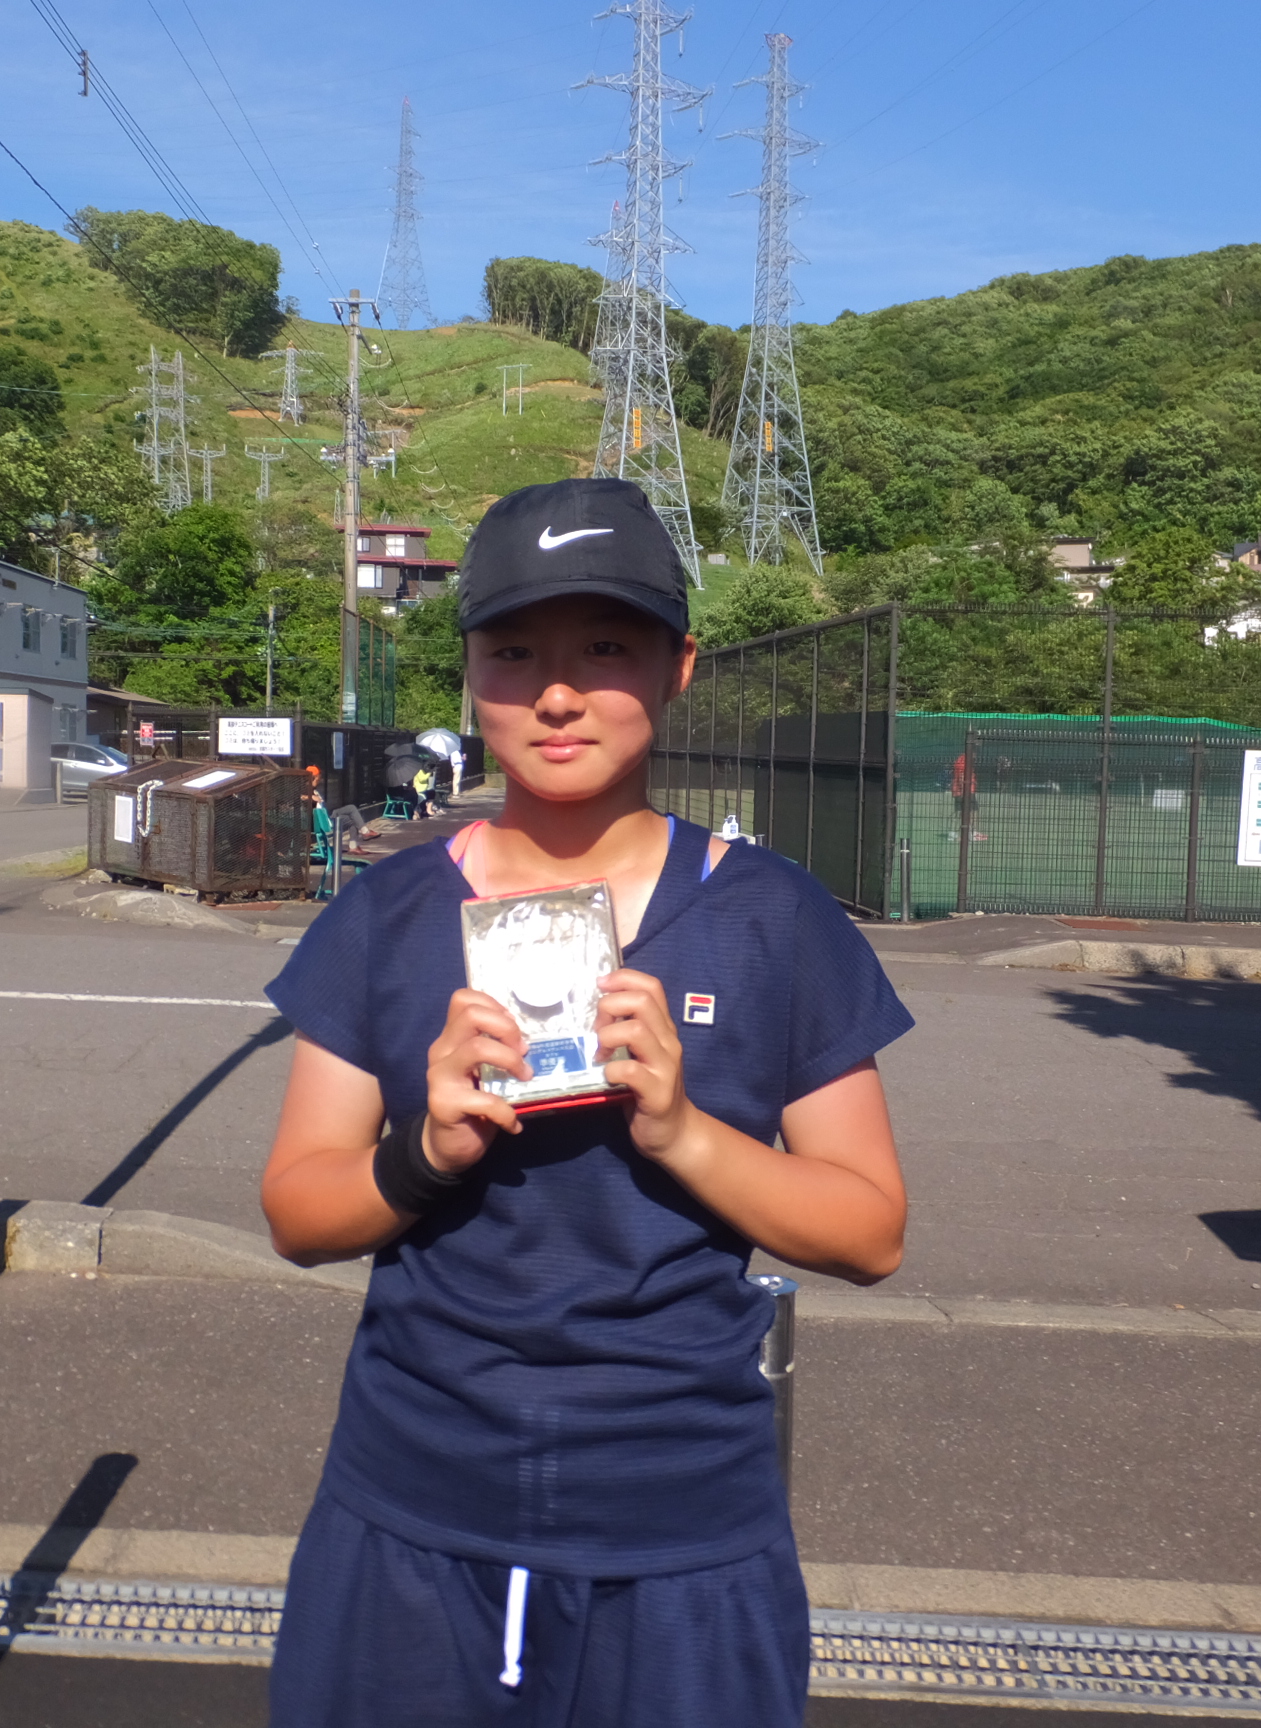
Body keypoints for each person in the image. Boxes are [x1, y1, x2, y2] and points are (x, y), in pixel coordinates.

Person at [260, 476, 914, 1728]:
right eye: (514, 653)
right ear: (470, 675)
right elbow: (298, 1210)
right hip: (412, 1505)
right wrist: (422, 1153)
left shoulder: (773, 917)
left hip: (681, 1527)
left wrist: (684, 1133)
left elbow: (870, 1230)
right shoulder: (384, 917)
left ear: (679, 667)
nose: (556, 694)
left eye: (606, 648)